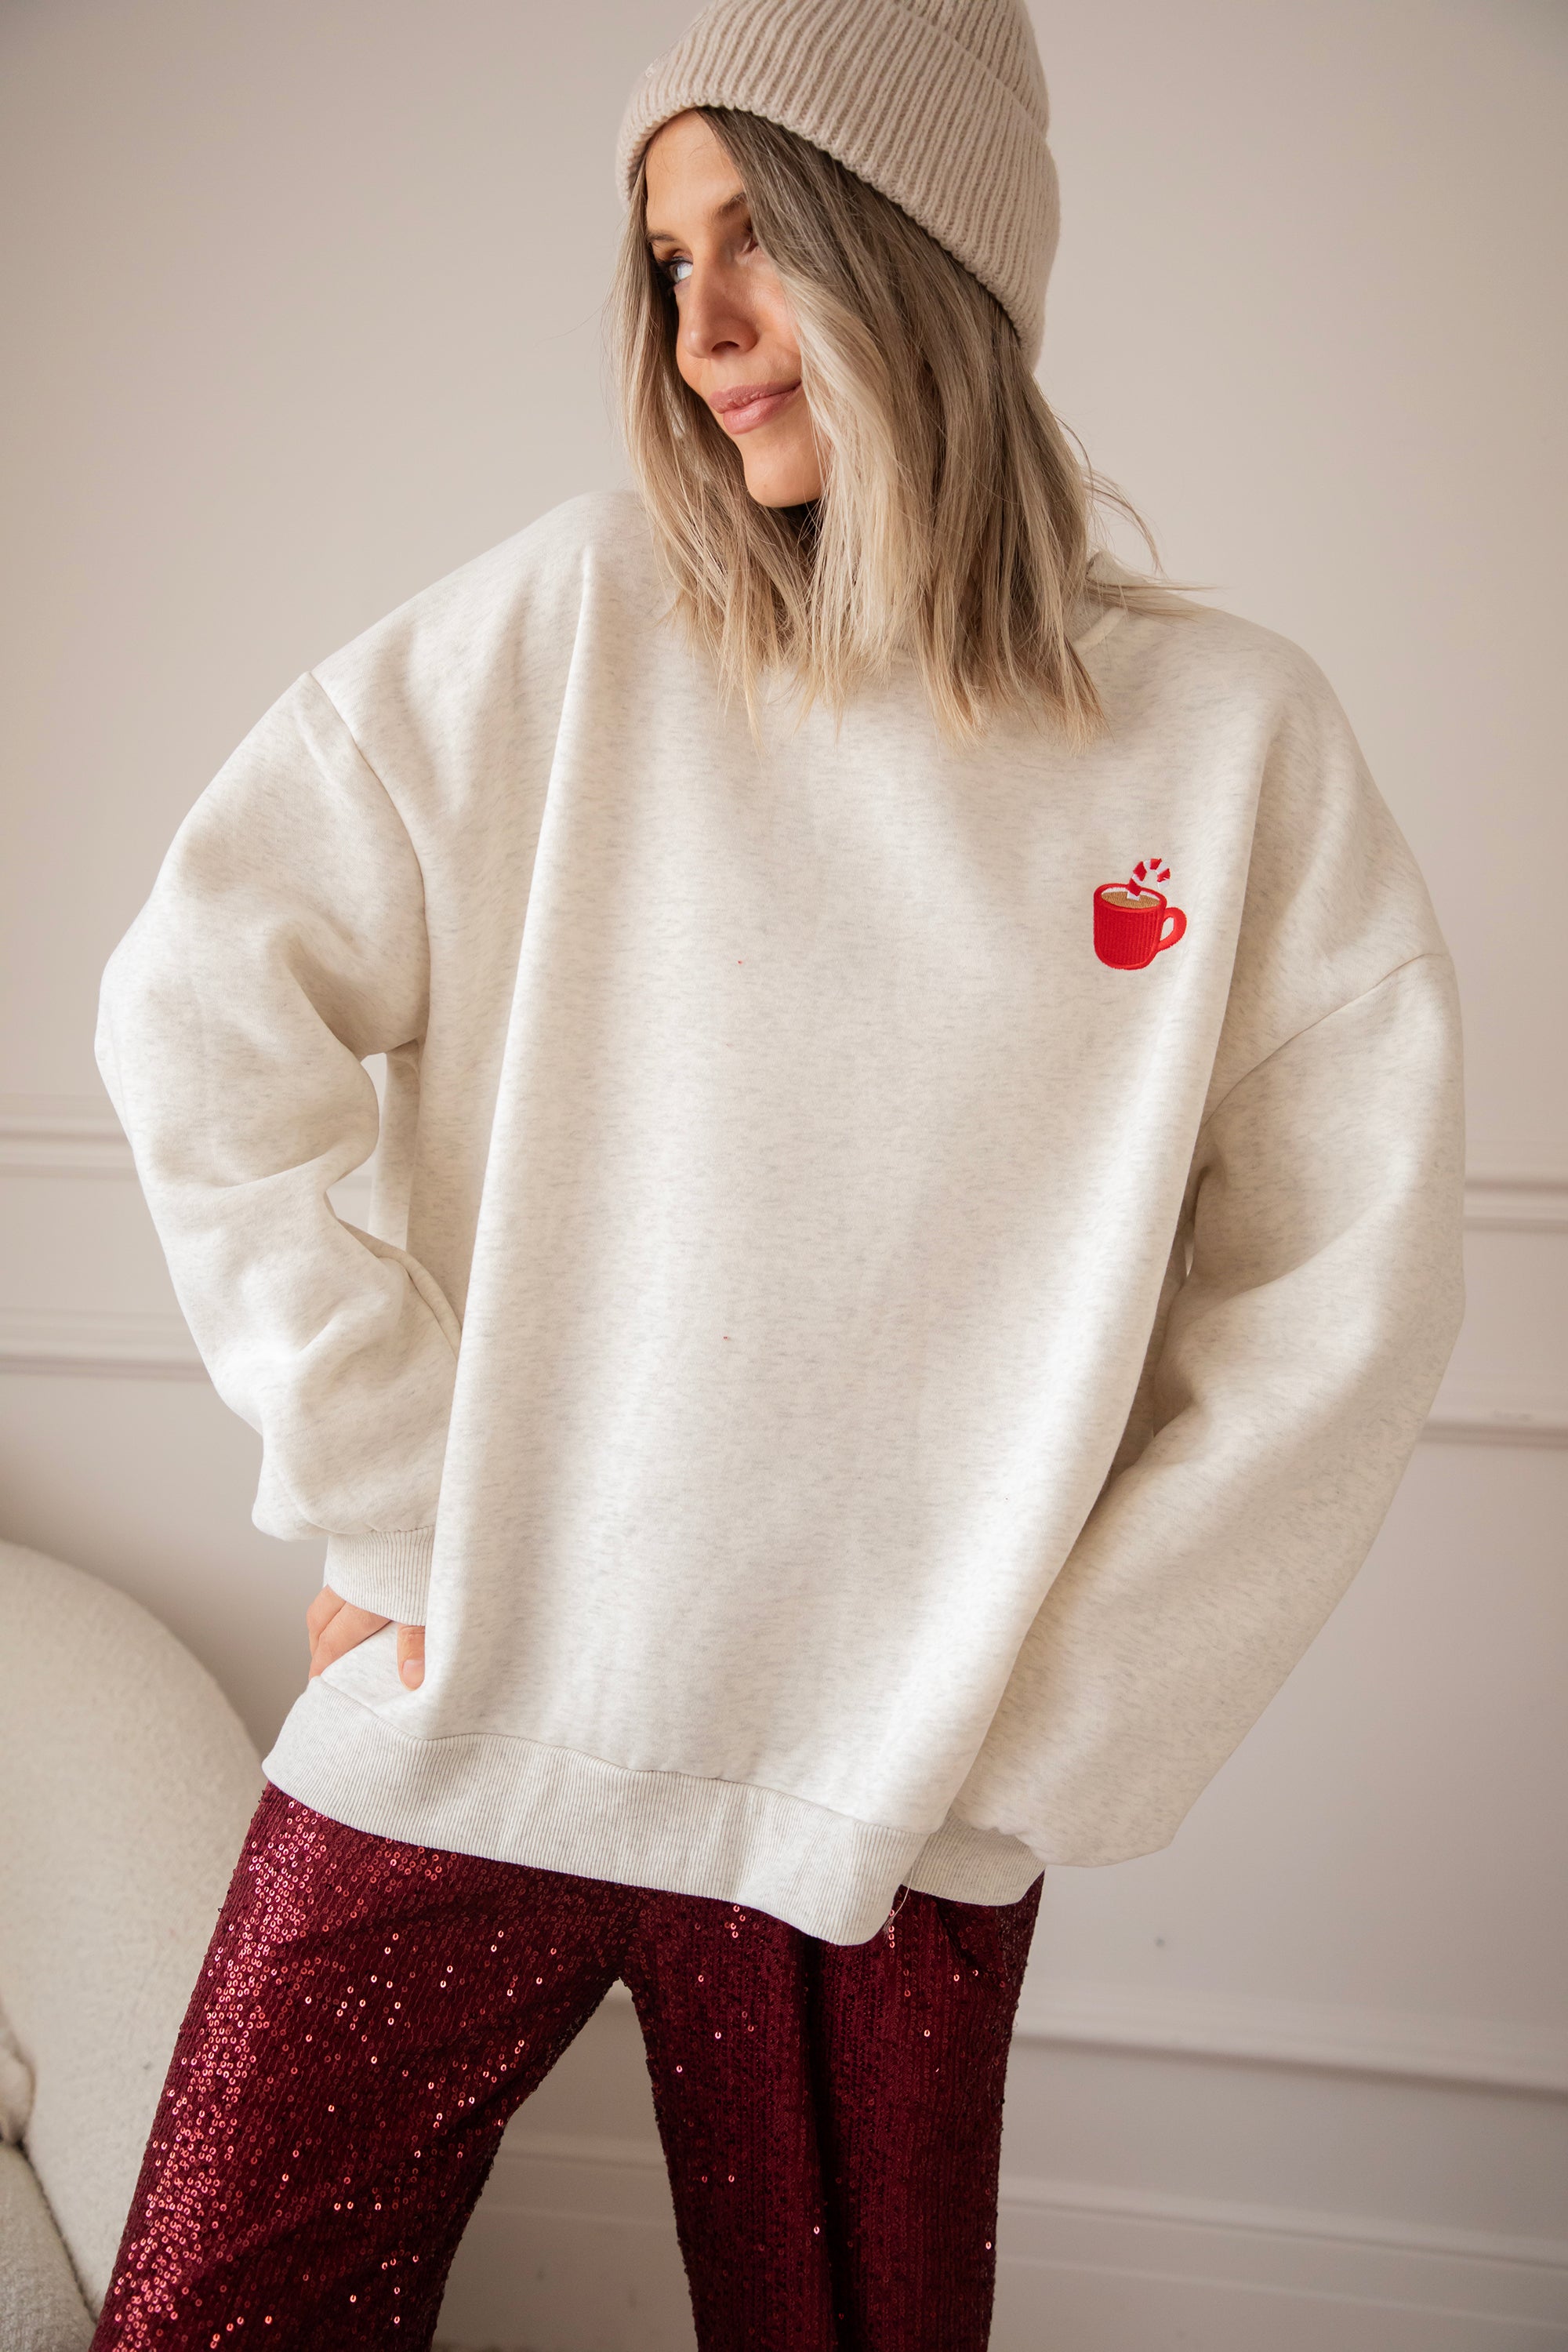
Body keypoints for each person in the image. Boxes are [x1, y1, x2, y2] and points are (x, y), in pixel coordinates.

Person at [87, 0, 1465, 2345]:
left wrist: (1057, 1720)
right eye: (665, 260)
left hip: (886, 1799)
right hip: (481, 1698)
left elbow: (1347, 1290)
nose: (702, 328)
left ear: (927, 250)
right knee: (213, 2309)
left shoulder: (1226, 742)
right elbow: (201, 1003)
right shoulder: (573, 624)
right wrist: (393, 1500)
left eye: (760, 240)